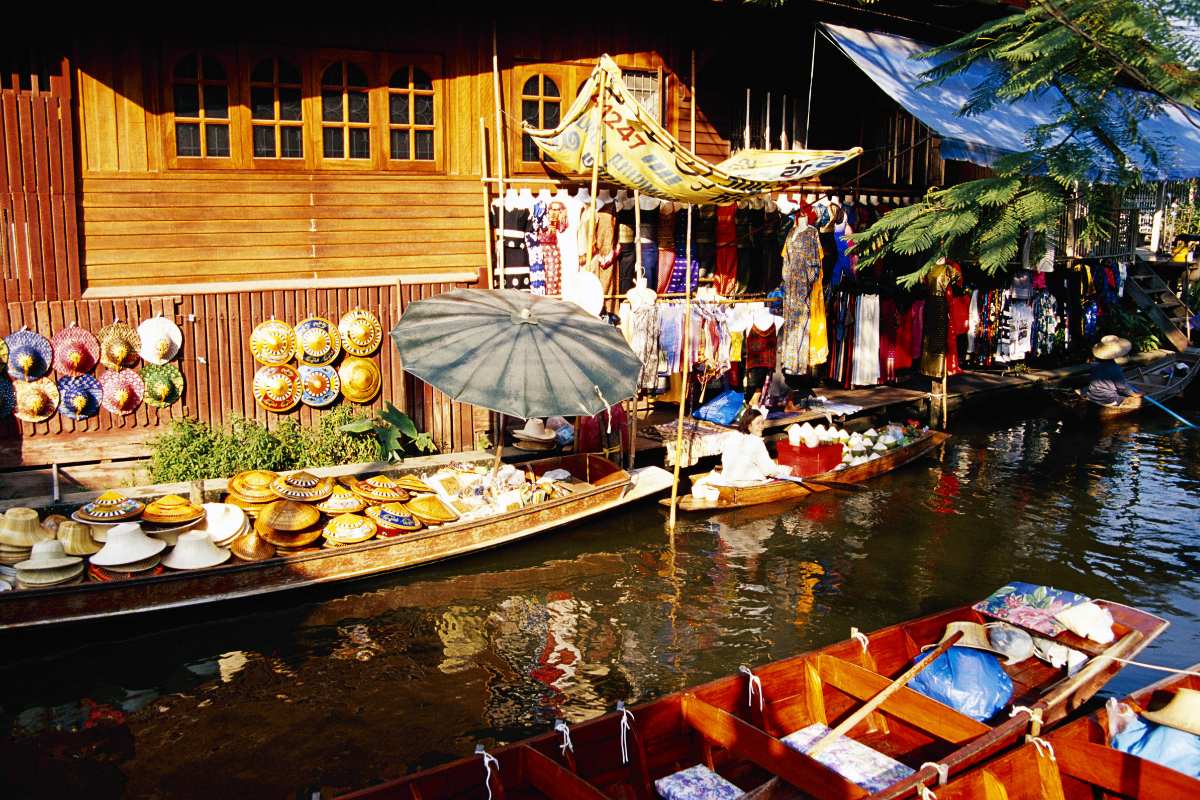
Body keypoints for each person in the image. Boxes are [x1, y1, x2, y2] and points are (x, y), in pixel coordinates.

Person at [720, 409, 788, 485]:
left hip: (727, 480)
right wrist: (782, 471)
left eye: (762, 423)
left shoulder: (733, 435)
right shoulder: (756, 441)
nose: (761, 427)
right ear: (747, 424)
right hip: (746, 483)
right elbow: (769, 470)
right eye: (757, 423)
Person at [1086, 335, 1142, 406]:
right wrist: (1135, 394)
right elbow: (1122, 387)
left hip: (1092, 397)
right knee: (1128, 398)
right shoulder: (1116, 368)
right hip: (1109, 400)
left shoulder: (1095, 364)